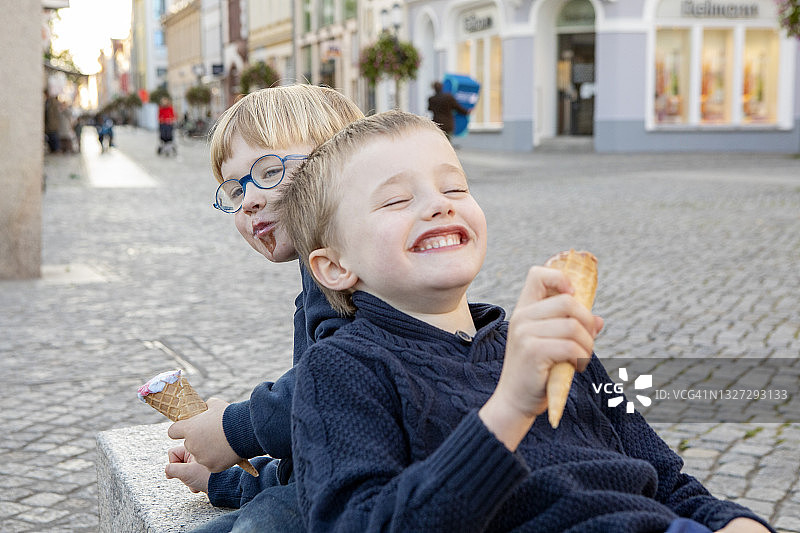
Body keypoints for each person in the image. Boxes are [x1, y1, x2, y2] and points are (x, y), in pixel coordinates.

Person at [277, 110, 775, 533]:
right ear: (335, 266)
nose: (439, 203)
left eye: (455, 186)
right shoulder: (341, 369)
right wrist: (511, 406)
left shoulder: (547, 339)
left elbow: (664, 479)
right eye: (396, 200)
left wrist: (734, 521)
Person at [163, 84, 364, 533]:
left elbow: (339, 391)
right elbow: (319, 457)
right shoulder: (316, 281)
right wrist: (225, 480)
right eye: (234, 190)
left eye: (270, 171)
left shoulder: (365, 275)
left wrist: (233, 428)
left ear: (344, 167)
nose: (249, 200)